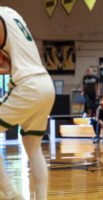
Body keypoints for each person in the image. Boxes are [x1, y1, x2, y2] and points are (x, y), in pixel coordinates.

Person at [0, 7, 55, 199]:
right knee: (33, 148)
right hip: (45, 83)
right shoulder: (12, 14)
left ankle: (10, 193)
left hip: (28, 85)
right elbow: (7, 64)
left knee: (33, 149)